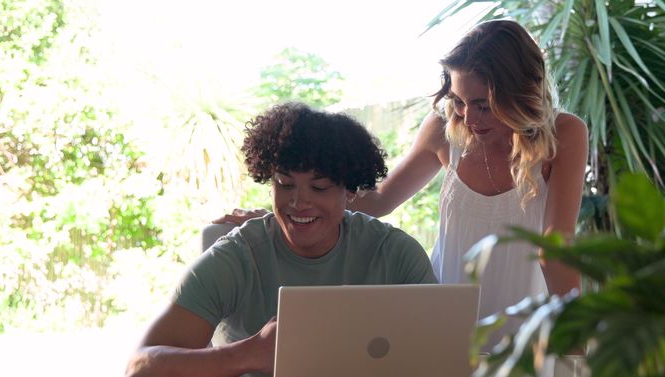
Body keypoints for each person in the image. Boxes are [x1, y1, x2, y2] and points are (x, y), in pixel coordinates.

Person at [218, 19, 588, 330]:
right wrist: (281, 213)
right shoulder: (444, 131)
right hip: (445, 321)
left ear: (520, 94)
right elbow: (376, 202)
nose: (469, 118)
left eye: (484, 105)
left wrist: (579, 350)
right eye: (458, 101)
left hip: (531, 324)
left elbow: (556, 251)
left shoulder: (563, 135)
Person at [124, 102, 436, 377]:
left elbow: (441, 360)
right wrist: (251, 353)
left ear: (350, 190)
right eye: (285, 185)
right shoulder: (237, 257)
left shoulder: (394, 254)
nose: (299, 202)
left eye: (319, 187)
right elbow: (138, 375)